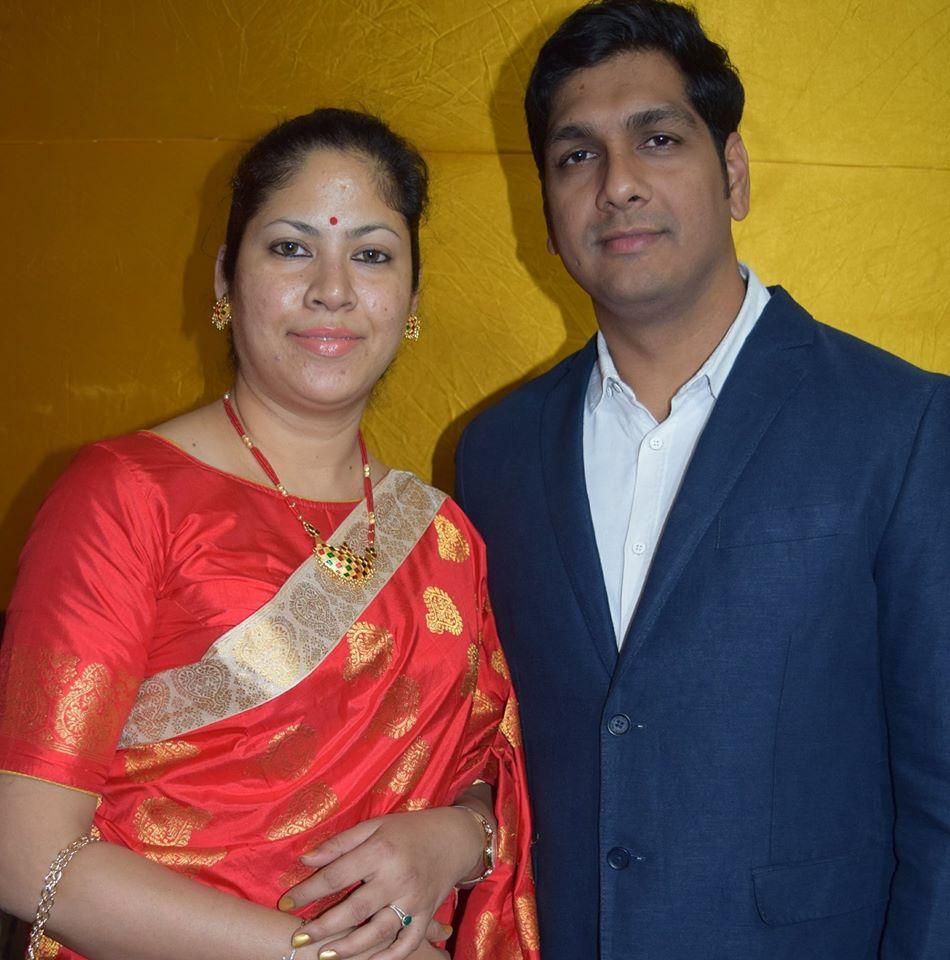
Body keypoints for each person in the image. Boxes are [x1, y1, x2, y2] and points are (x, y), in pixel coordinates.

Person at [454, 1, 950, 958]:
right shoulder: (496, 453)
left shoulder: (904, 424)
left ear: (734, 173)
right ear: (545, 212)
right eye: (577, 155)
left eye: (658, 139)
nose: (618, 184)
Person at [0, 107, 538, 960]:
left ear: (411, 299)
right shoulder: (124, 497)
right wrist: (318, 955)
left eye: (371, 255)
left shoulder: (444, 538)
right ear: (225, 278)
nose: (332, 289)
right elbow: (27, 856)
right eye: (291, 247)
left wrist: (458, 838)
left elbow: (489, 769)